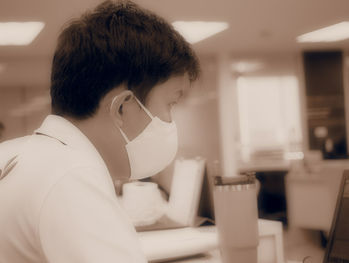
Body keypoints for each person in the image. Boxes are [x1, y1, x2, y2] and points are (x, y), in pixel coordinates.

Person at [0, 0, 200, 262]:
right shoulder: (72, 176)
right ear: (122, 109)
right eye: (170, 103)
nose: (169, 120)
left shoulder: (13, 152)